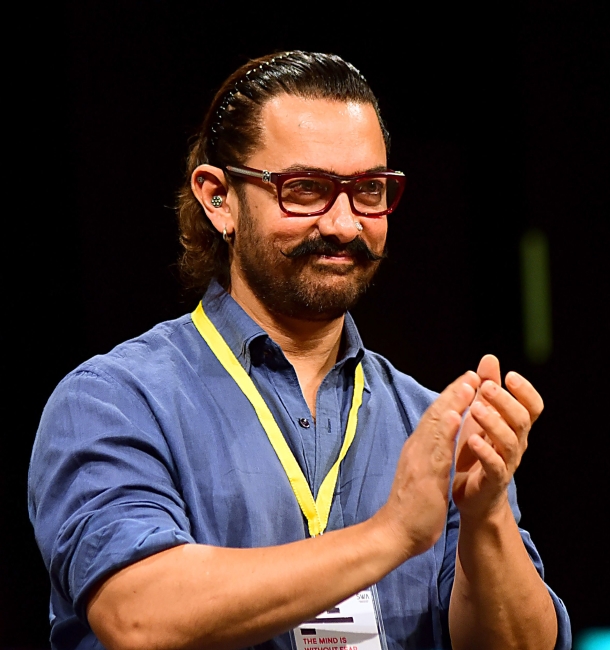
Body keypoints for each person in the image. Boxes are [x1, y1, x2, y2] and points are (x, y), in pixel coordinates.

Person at [28, 51, 570, 650]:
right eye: (305, 189)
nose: (344, 224)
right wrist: (390, 535)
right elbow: (140, 616)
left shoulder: (433, 426)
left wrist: (486, 516)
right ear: (218, 198)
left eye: (369, 190)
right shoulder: (114, 401)